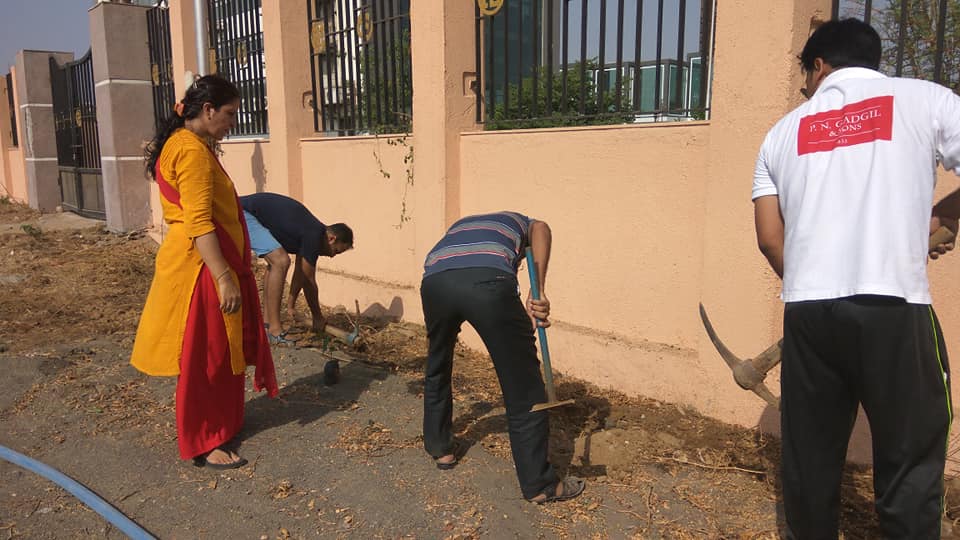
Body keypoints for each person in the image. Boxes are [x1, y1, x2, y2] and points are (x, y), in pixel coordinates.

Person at [752, 19, 960, 538]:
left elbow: (770, 238)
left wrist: (814, 280)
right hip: (894, 308)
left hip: (809, 315)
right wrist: (944, 214)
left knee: (809, 459)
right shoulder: (926, 99)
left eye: (805, 76)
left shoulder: (781, 133)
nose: (806, 89)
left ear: (820, 66)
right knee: (910, 458)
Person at [132, 75, 278, 469]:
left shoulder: (189, 144)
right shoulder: (191, 151)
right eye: (229, 114)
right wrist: (223, 276)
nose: (233, 123)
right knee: (206, 357)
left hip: (203, 262)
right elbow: (198, 221)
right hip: (201, 268)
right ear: (208, 110)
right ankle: (204, 438)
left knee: (220, 351)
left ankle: (221, 424)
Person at [419, 211, 585, 503]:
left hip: (435, 283)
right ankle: (540, 485)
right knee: (523, 384)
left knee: (438, 364)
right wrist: (538, 291)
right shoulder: (525, 222)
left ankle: (440, 449)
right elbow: (542, 228)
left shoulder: (463, 225)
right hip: (487, 281)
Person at [238, 192, 353, 344]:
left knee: (275, 263)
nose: (332, 256)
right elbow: (309, 282)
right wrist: (317, 317)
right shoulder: (314, 234)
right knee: (280, 261)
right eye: (336, 251)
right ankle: (275, 331)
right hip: (241, 212)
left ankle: (267, 325)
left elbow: (301, 274)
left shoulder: (309, 232)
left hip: (242, 210)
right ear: (332, 239)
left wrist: (291, 306)